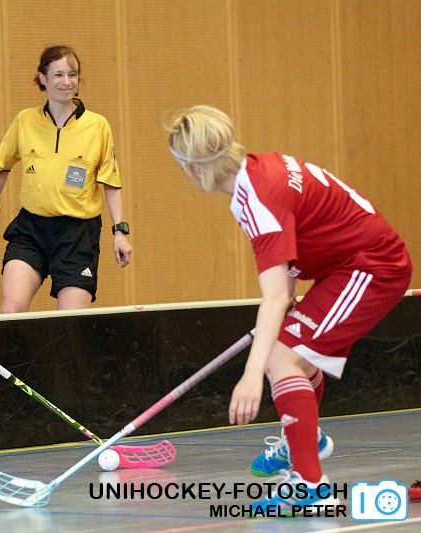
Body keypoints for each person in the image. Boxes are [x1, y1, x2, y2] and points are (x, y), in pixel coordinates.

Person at [167, 105, 412, 514]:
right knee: (288, 356)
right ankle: (305, 436)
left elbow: (275, 296)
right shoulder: (261, 169)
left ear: (194, 168)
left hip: (371, 267)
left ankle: (310, 487)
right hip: (344, 268)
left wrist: (249, 376)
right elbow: (295, 246)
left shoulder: (257, 197)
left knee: (279, 360)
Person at [0, 45, 132, 312]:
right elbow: (1, 169)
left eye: (72, 74)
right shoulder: (25, 121)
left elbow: (110, 182)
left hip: (78, 236)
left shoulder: (98, 125)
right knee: (10, 312)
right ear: (43, 78)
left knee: (70, 324)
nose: (66, 82)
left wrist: (120, 232)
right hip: (31, 230)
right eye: (58, 75)